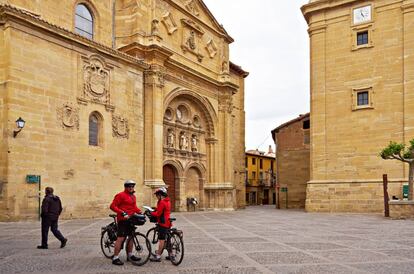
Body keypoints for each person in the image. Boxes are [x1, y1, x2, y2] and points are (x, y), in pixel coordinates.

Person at [110, 180, 142, 265]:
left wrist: (140, 211)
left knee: (131, 237)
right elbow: (112, 206)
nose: (131, 188)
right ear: (125, 187)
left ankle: (129, 255)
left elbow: (134, 207)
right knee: (120, 238)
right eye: (129, 186)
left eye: (132, 187)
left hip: (131, 219)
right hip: (122, 220)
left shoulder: (133, 197)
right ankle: (115, 257)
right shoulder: (120, 195)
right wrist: (122, 212)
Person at [149, 187, 171, 262]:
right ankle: (171, 254)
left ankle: (158, 256)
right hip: (168, 222)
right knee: (167, 238)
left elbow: (158, 214)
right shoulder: (167, 201)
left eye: (157, 195)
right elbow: (163, 210)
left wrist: (151, 213)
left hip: (163, 222)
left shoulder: (162, 202)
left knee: (161, 239)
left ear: (161, 195)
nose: (156, 197)